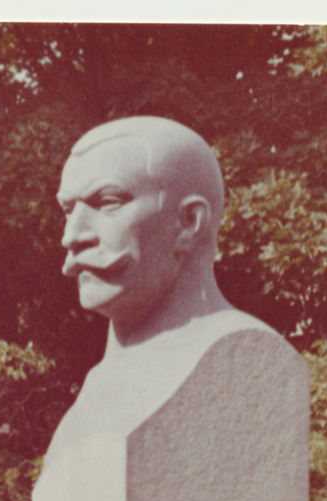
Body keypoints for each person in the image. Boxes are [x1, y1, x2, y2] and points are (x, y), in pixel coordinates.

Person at [44, 116, 284, 458]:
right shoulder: (95, 388)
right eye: (68, 209)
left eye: (108, 203)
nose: (72, 236)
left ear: (188, 223)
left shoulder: (246, 357)